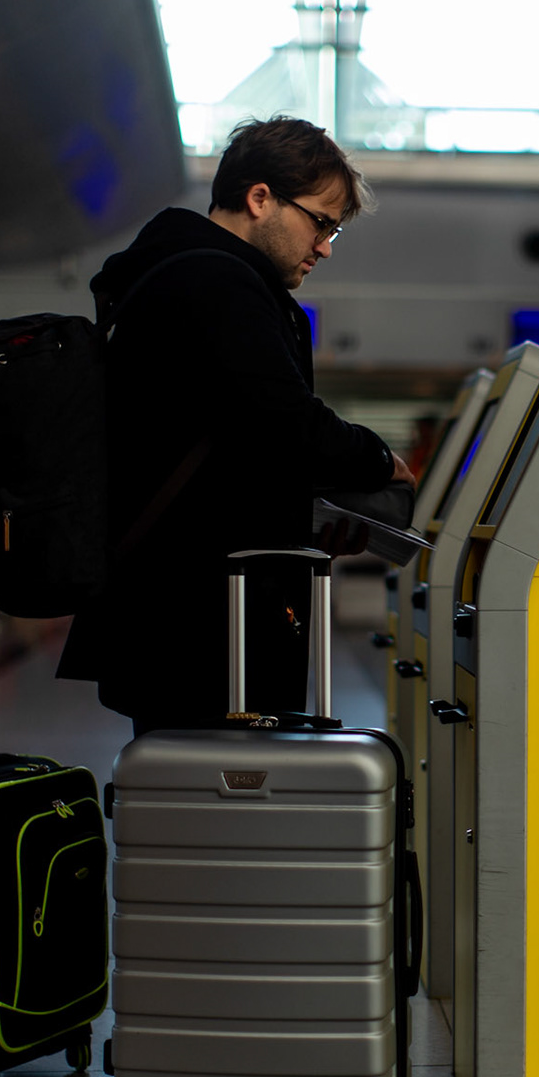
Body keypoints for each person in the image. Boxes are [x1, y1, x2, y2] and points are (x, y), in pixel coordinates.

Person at [59, 116, 413, 733]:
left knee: (190, 798)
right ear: (259, 199)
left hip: (183, 608)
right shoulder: (214, 280)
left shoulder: (173, 272)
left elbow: (233, 449)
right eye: (322, 222)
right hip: (200, 622)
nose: (325, 246)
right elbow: (285, 421)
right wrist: (378, 460)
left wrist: (309, 518)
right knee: (212, 800)